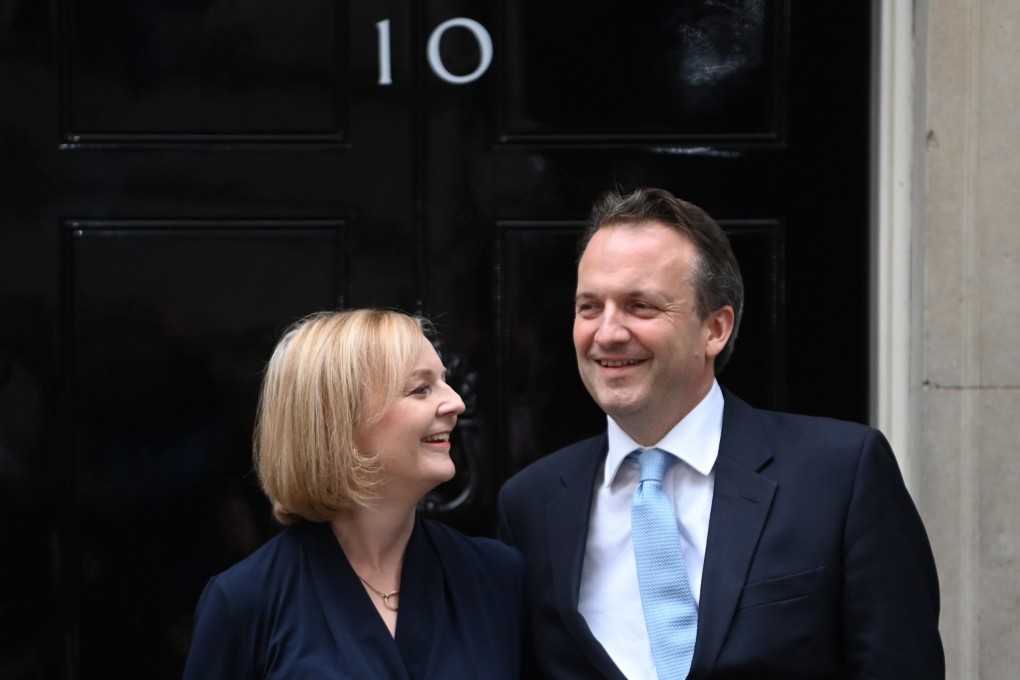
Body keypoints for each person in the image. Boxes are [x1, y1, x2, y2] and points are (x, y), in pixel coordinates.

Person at [497, 187, 944, 679]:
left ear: (716, 328)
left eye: (640, 306)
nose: (607, 332)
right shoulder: (530, 505)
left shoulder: (840, 475)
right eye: (589, 307)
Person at [184, 309, 524, 679]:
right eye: (420, 388)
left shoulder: (495, 575)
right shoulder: (246, 601)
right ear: (340, 421)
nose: (456, 403)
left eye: (444, 381)